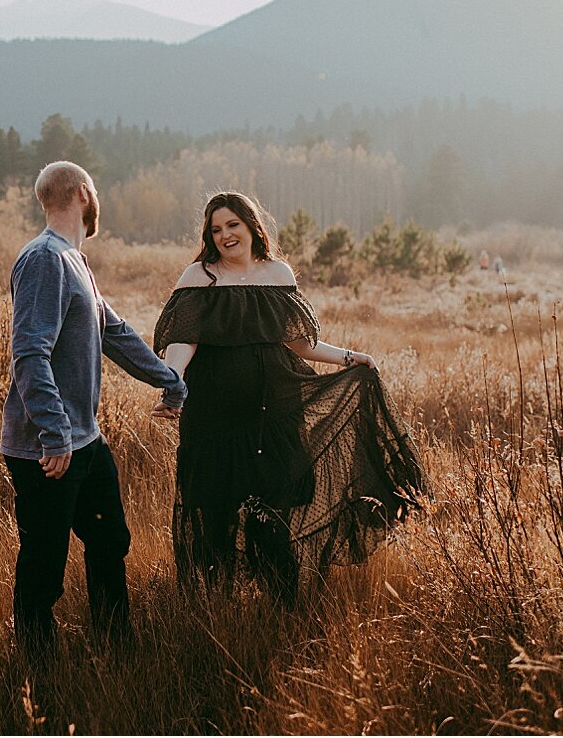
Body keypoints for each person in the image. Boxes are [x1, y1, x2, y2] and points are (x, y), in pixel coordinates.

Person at [151, 192, 427, 605]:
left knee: (274, 517)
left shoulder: (278, 274)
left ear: (250, 225)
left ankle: (283, 609)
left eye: (233, 225)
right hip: (214, 419)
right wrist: (172, 386)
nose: (225, 235)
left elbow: (300, 344)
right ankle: (213, 611)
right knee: (216, 516)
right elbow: (182, 344)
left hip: (274, 415)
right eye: (216, 229)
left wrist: (350, 358)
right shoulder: (198, 277)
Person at [2, 160, 187, 659]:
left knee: (110, 543)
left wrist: (171, 381)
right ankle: (37, 671)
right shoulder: (45, 259)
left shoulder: (75, 262)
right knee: (44, 566)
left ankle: (116, 648)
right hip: (48, 449)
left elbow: (116, 333)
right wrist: (55, 434)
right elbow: (29, 353)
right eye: (95, 189)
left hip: (85, 441)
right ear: (83, 193)